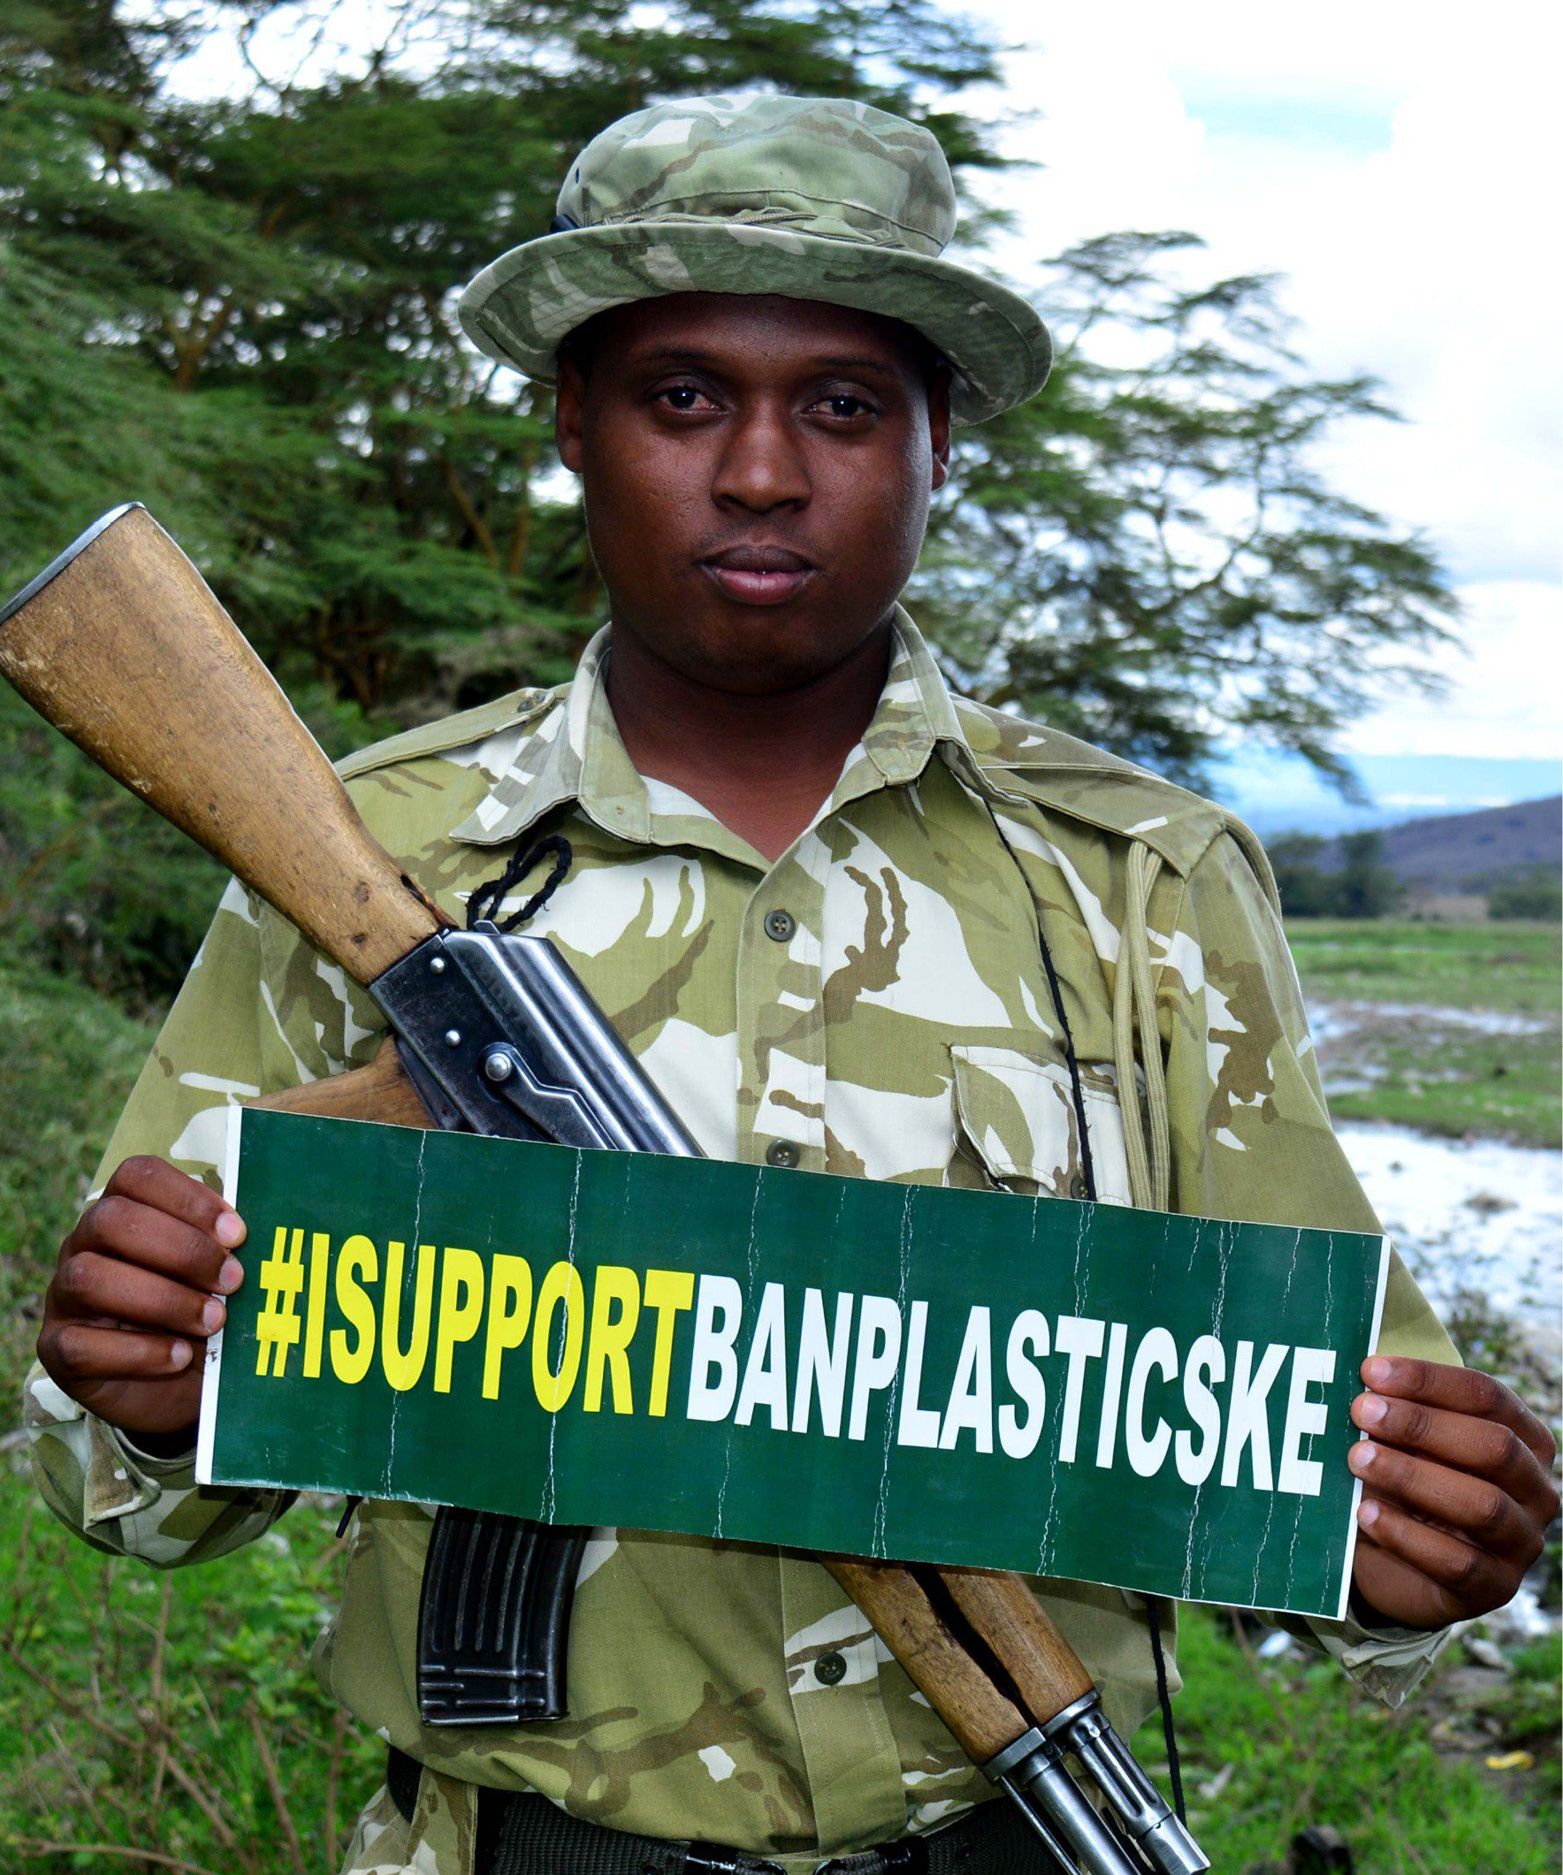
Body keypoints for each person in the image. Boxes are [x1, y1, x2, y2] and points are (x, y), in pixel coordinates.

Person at [25, 94, 1557, 1875]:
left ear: (938, 448)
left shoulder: (1142, 882)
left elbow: (1320, 1458)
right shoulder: (365, 855)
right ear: (573, 427)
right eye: (683, 397)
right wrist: (136, 1383)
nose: (762, 471)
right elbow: (121, 1484)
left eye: (843, 404)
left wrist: (1423, 1535)